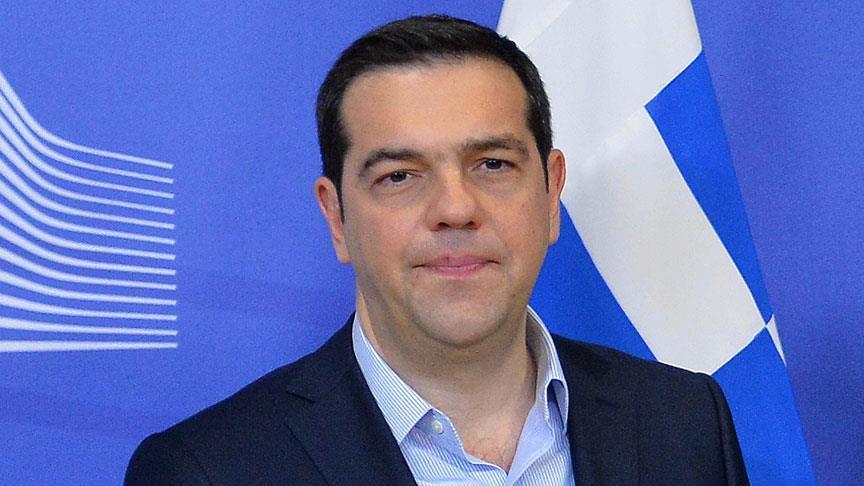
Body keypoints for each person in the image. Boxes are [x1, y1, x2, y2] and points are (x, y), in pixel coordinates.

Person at [126, 15, 748, 485]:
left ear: (551, 192)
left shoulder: (684, 422)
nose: (455, 208)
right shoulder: (208, 470)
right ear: (336, 217)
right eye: (399, 176)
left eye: (493, 164)